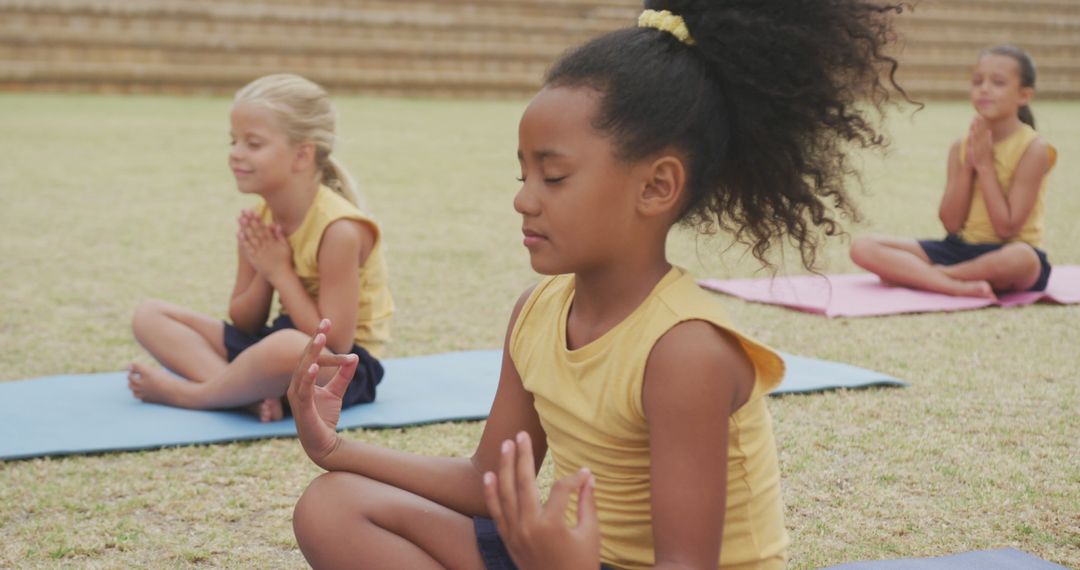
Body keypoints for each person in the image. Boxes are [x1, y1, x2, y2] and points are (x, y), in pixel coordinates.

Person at [287, 1, 906, 568]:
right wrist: (335, 447)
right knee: (332, 506)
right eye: (523, 173)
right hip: (574, 558)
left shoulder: (684, 351)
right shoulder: (537, 312)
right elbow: (488, 480)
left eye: (553, 177)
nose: (523, 199)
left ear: (657, 186)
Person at [127, 74, 393, 423]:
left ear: (302, 155)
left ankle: (196, 395)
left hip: (342, 369)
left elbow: (336, 343)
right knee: (149, 315)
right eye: (233, 141)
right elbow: (245, 320)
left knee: (286, 346)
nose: (235, 154)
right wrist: (266, 272)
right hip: (278, 346)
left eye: (253, 144)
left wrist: (280, 271)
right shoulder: (260, 217)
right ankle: (246, 396)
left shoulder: (339, 229)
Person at [850, 45, 1057, 298]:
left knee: (1022, 258)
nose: (984, 88)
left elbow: (1006, 228)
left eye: (998, 82)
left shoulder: (1034, 148)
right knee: (863, 247)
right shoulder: (961, 146)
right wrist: (968, 166)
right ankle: (956, 285)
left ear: (1024, 95)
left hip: (1009, 251)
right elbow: (951, 223)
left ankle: (932, 277)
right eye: (977, 81)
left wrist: (985, 166)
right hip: (959, 249)